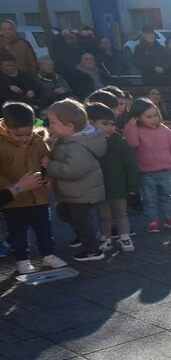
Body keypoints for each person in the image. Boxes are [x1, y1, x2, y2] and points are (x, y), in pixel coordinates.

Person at [0, 102, 64, 273]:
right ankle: (22, 259)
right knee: (17, 232)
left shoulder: (38, 141)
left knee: (44, 227)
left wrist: (48, 178)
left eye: (27, 134)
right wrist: (12, 187)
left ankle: (48, 254)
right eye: (18, 135)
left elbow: (46, 162)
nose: (24, 138)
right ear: (6, 127)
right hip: (14, 199)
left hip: (38, 196)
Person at [42, 99, 107, 262]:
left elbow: (73, 170)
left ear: (70, 126)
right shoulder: (68, 138)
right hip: (72, 192)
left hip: (81, 193)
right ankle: (83, 235)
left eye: (53, 122)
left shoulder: (78, 147)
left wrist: (50, 165)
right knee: (64, 213)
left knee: (82, 221)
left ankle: (93, 250)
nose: (50, 126)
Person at [123, 97, 171, 232]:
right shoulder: (136, 130)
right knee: (149, 199)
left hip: (164, 170)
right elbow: (133, 144)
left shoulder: (164, 130)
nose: (154, 119)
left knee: (167, 196)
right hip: (146, 172)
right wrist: (131, 127)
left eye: (155, 115)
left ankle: (169, 217)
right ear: (138, 118)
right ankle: (152, 220)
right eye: (149, 117)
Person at [86, 103, 138, 252]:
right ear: (92, 123)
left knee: (121, 213)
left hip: (118, 186)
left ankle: (125, 237)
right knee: (104, 215)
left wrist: (133, 185)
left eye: (112, 124)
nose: (110, 127)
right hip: (99, 187)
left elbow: (131, 165)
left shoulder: (120, 143)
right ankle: (105, 237)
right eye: (105, 124)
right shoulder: (89, 143)